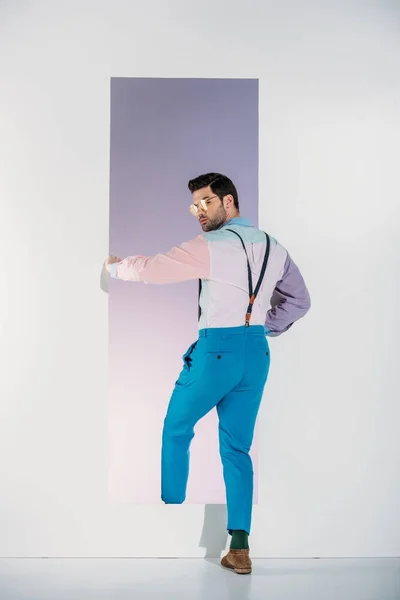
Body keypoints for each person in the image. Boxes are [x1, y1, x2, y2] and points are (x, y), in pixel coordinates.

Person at [105, 173, 311, 574]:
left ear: (228, 202)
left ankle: (170, 516)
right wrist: (263, 327)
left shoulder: (213, 246)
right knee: (237, 449)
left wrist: (114, 269)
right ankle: (239, 546)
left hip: (218, 350)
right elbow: (300, 301)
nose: (198, 211)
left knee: (177, 426)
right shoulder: (274, 246)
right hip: (256, 353)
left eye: (206, 202)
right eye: (194, 205)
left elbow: (153, 269)